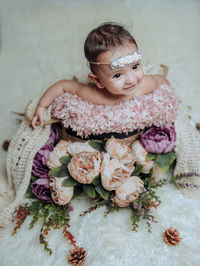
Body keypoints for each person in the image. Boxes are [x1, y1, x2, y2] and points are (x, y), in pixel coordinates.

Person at [31, 22, 170, 129]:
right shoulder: (93, 94)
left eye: (135, 67)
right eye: (117, 75)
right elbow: (62, 85)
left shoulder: (145, 85)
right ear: (98, 81)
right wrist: (42, 107)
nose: (131, 80)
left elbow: (161, 81)